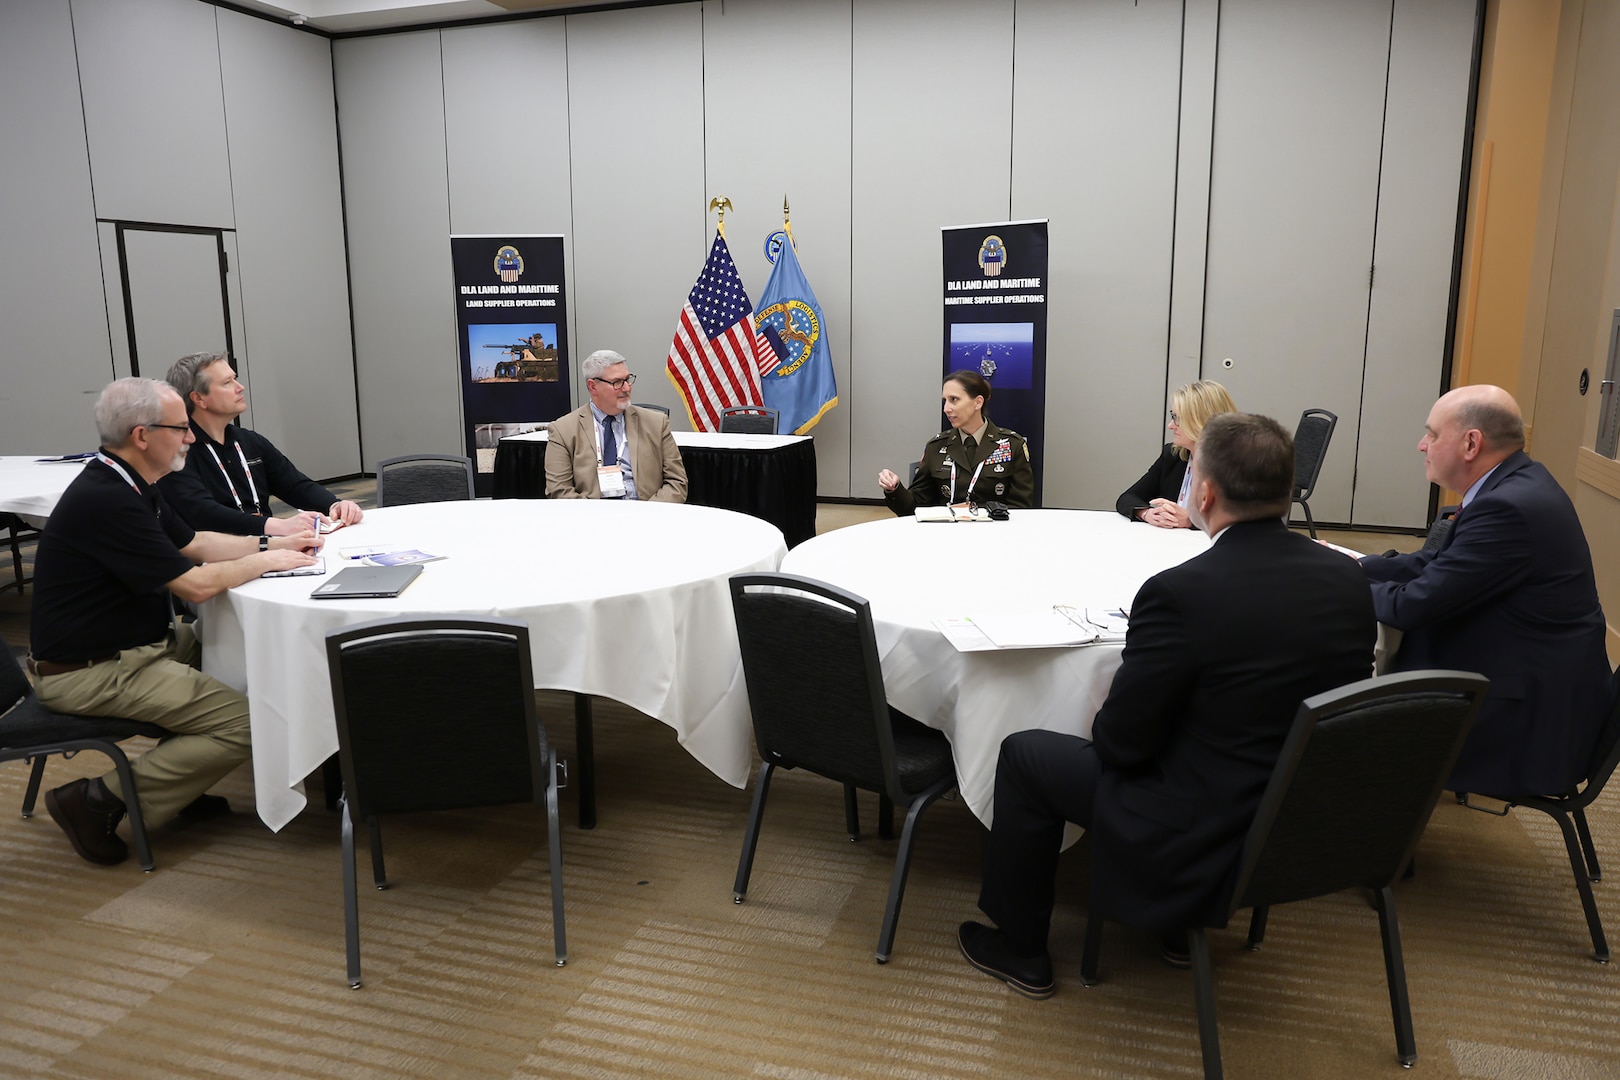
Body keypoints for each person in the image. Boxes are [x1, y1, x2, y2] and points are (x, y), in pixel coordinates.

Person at [957, 413, 1374, 998]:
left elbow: (1121, 744)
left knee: (1025, 754)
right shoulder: (1348, 578)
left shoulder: (1180, 593)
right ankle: (1181, 930)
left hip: (1197, 819)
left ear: (1203, 493)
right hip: (1298, 810)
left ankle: (1021, 947)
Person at [28, 378, 320, 866]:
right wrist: (267, 562)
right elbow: (196, 584)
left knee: (229, 644)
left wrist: (275, 544)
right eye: (180, 428)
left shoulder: (128, 480)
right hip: (91, 672)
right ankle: (97, 799)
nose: (190, 438)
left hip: (133, 646)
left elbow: (195, 543)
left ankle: (182, 782)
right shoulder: (109, 499)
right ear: (142, 435)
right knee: (246, 727)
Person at [1358, 384, 1610, 796]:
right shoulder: (1516, 483)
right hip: (1532, 675)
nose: (1422, 445)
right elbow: (1438, 564)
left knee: (1343, 716)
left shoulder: (1507, 507)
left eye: (1433, 434)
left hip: (1526, 716)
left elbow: (1413, 606)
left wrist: (1333, 586)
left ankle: (1371, 845)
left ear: (1471, 443)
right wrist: (1356, 567)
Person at [157, 352, 364, 535]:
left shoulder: (249, 442)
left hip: (267, 545)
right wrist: (274, 526)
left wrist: (334, 504)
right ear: (199, 398)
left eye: (235, 379)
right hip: (215, 557)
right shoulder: (177, 450)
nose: (240, 388)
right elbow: (201, 513)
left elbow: (294, 485)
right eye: (227, 383)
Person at [877, 370, 1033, 515]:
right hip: (947, 535)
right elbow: (915, 507)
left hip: (994, 535)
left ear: (978, 402)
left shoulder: (1012, 445)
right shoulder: (937, 446)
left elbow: (1020, 509)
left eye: (954, 400)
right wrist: (895, 489)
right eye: (945, 401)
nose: (946, 408)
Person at [545, 349, 687, 502]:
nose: (626, 388)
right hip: (591, 519)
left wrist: (647, 515)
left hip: (647, 516)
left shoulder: (657, 424)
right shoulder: (563, 430)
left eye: (627, 379)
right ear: (593, 387)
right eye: (617, 382)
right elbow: (559, 490)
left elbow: (677, 483)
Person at [1116, 379, 1237, 528]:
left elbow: (1246, 522)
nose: (1170, 426)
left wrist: (1191, 520)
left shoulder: (1239, 464)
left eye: (1177, 419)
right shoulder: (1173, 455)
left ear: (1201, 421)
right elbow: (1127, 498)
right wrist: (1147, 514)